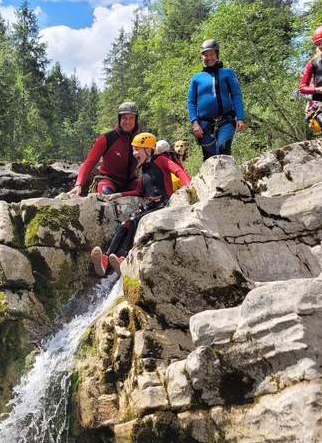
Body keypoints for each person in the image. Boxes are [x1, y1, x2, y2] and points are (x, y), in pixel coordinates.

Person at [90, 133, 192, 276]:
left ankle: (123, 258)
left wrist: (189, 184)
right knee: (124, 224)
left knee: (136, 221)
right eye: (133, 150)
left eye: (137, 150)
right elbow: (139, 190)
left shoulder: (161, 160)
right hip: (150, 205)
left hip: (163, 204)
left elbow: (177, 170)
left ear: (148, 149)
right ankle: (106, 259)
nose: (134, 153)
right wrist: (118, 194)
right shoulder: (144, 169)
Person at [187, 39, 246, 161]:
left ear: (217, 55)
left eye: (212, 54)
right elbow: (191, 102)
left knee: (224, 150)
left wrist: (240, 117)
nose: (209, 57)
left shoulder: (228, 73)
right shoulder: (196, 78)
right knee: (210, 158)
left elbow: (236, 95)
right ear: (202, 57)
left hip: (226, 119)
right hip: (204, 124)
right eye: (206, 55)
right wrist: (194, 123)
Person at [69, 102, 139, 196]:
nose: (128, 122)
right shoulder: (106, 139)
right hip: (108, 180)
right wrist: (79, 184)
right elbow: (89, 162)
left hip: (130, 182)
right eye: (124, 118)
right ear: (119, 119)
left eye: (131, 118)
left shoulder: (140, 139)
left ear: (136, 120)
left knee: (153, 190)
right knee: (106, 195)